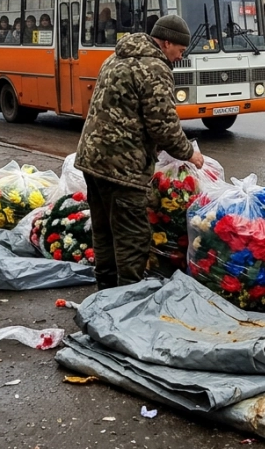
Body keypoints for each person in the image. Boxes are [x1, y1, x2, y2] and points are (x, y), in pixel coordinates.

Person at [75, 14, 205, 289]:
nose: (179, 58)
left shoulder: (116, 58)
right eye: (180, 51)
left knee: (104, 231)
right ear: (166, 42)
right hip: (123, 167)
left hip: (92, 160)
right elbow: (163, 125)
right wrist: (189, 154)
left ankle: (105, 293)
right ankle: (127, 300)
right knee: (132, 236)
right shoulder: (153, 67)